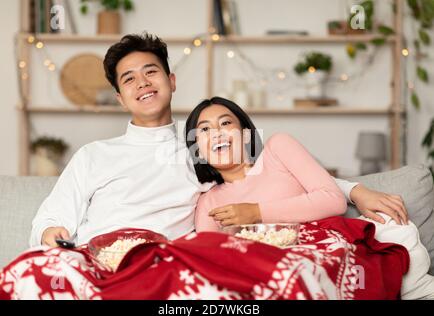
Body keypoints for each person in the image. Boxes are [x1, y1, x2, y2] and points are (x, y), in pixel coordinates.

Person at [33, 32, 407, 249]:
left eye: (151, 71)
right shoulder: (94, 155)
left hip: (158, 260)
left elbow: (272, 170)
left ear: (172, 81)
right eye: (129, 79)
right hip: (93, 252)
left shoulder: (201, 141)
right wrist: (51, 233)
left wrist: (356, 190)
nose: (143, 83)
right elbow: (52, 218)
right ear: (119, 97)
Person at [185, 96, 434, 299]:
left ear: (247, 135)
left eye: (225, 123)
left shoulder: (277, 149)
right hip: (269, 278)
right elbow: (211, 262)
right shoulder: (209, 201)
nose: (216, 133)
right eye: (204, 130)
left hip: (324, 257)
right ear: (198, 149)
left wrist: (255, 213)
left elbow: (332, 199)